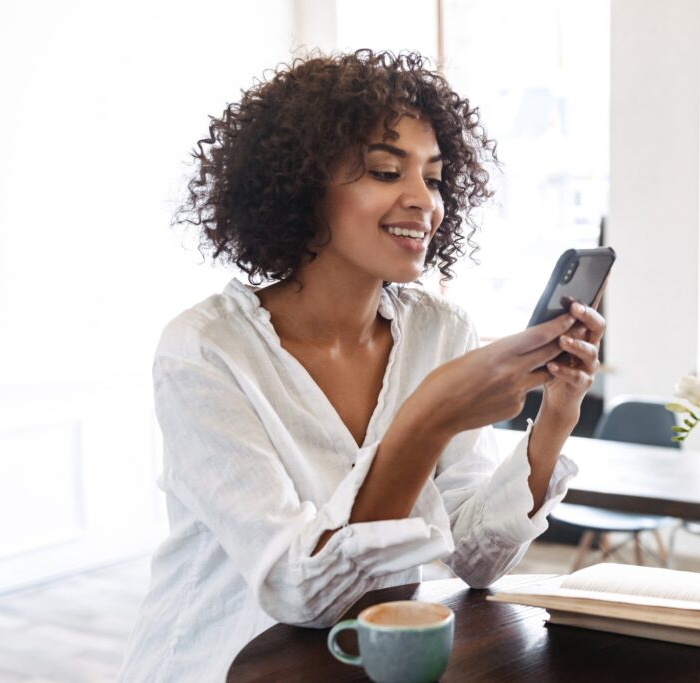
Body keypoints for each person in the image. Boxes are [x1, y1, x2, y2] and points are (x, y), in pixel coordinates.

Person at [119, 50, 605, 682]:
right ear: (300, 185)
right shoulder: (206, 351)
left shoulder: (440, 331)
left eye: (433, 178)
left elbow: (478, 560)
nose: (422, 202)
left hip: (366, 666)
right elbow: (303, 592)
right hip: (226, 665)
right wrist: (425, 420)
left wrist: (555, 418)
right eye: (384, 170)